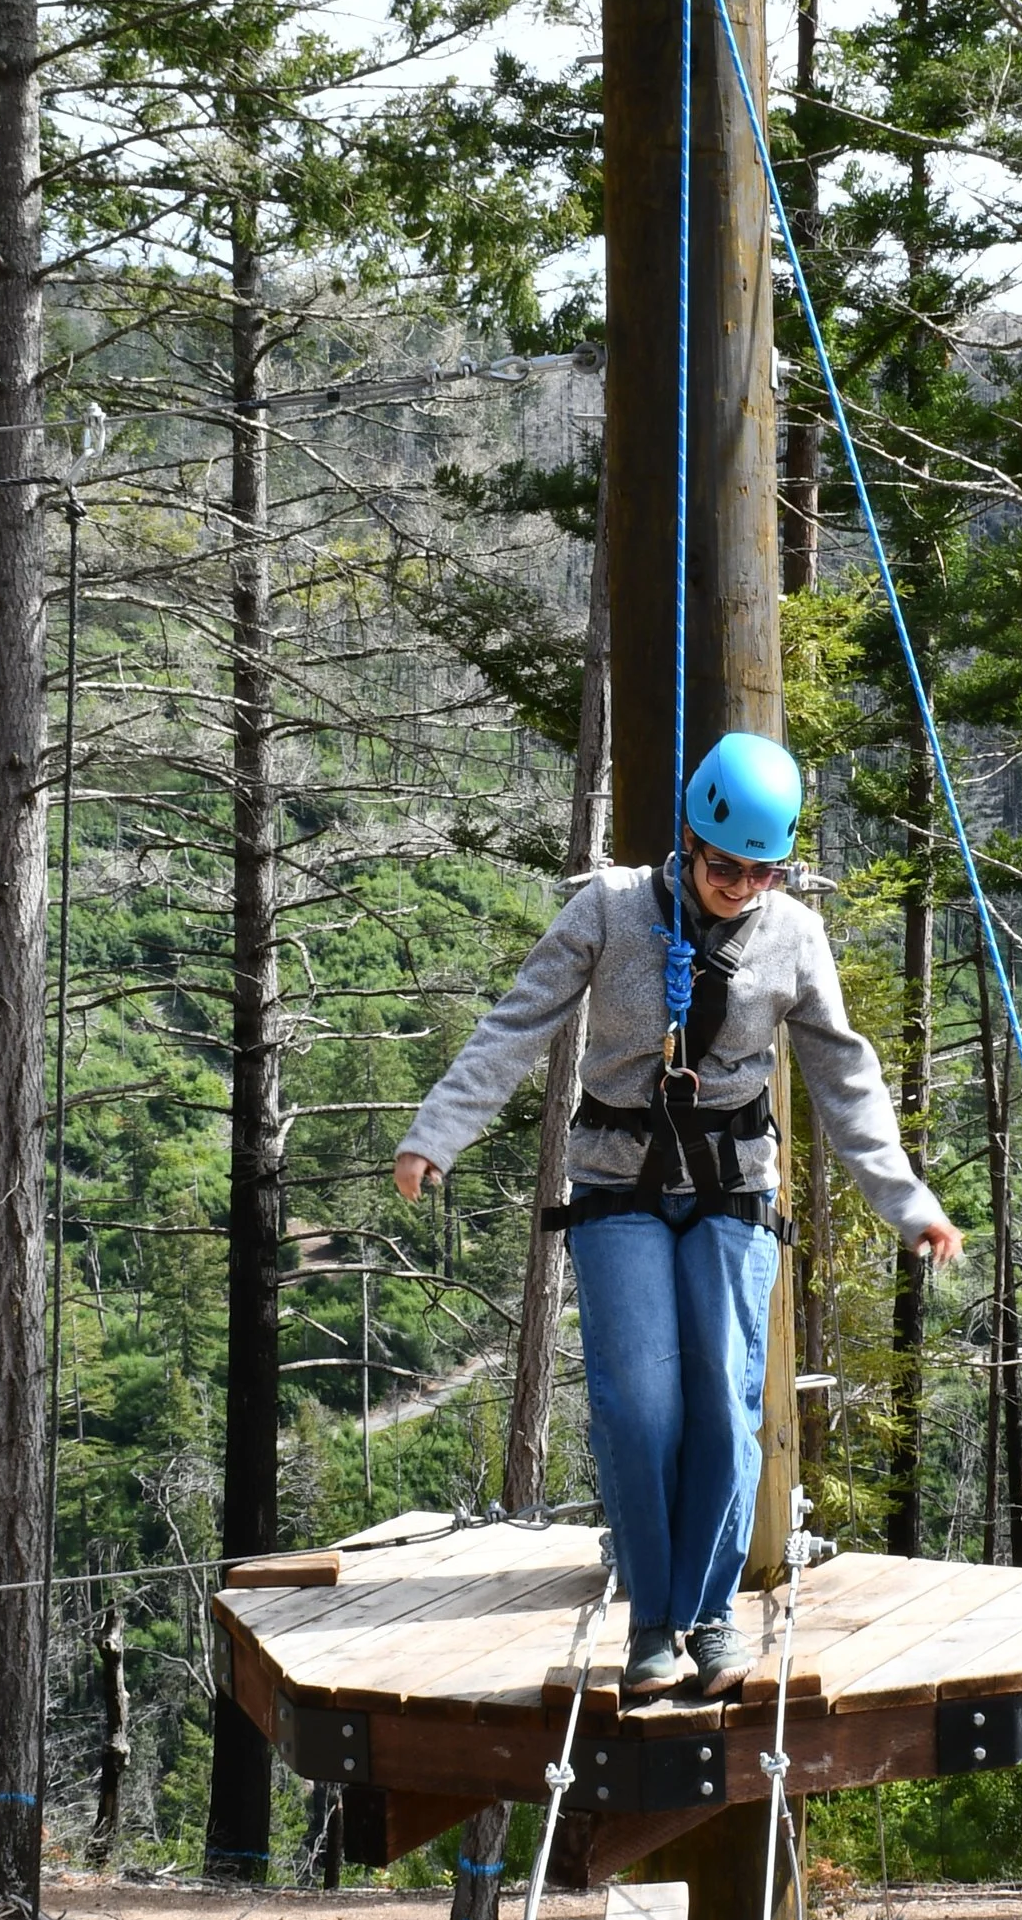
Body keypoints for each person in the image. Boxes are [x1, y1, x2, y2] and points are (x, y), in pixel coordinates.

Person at [394, 728, 962, 1700]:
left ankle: (712, 1613)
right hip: (617, 1180)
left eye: (762, 872)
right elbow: (517, 1021)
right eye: (725, 868)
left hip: (734, 1185)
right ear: (688, 843)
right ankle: (654, 1621)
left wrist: (905, 1203)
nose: (741, 887)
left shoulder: (792, 936)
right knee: (638, 1403)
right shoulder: (611, 912)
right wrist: (435, 1132)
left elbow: (845, 1078)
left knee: (725, 1405)